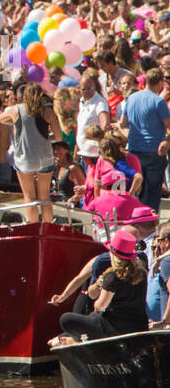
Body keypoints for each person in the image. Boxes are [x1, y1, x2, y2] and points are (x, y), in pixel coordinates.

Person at [57, 231, 148, 341]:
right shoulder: (141, 273)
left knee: (66, 319)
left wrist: (101, 286)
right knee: (92, 317)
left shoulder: (112, 275)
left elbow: (100, 306)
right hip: (139, 326)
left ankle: (75, 341)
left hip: (113, 328)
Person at [0, 83, 64, 223]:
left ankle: (33, 226)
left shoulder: (16, 110)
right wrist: (47, 138)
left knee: (29, 197)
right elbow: (59, 137)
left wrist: (14, 118)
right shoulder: (47, 112)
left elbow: (0, 119)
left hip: (25, 159)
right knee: (45, 197)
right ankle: (47, 227)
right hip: (45, 158)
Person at [118, 67, 170, 213]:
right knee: (152, 195)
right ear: (160, 83)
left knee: (136, 191)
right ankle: (148, 227)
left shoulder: (131, 98)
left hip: (134, 152)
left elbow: (122, 123)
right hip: (154, 153)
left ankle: (136, 221)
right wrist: (167, 141)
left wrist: (132, 136)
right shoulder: (159, 102)